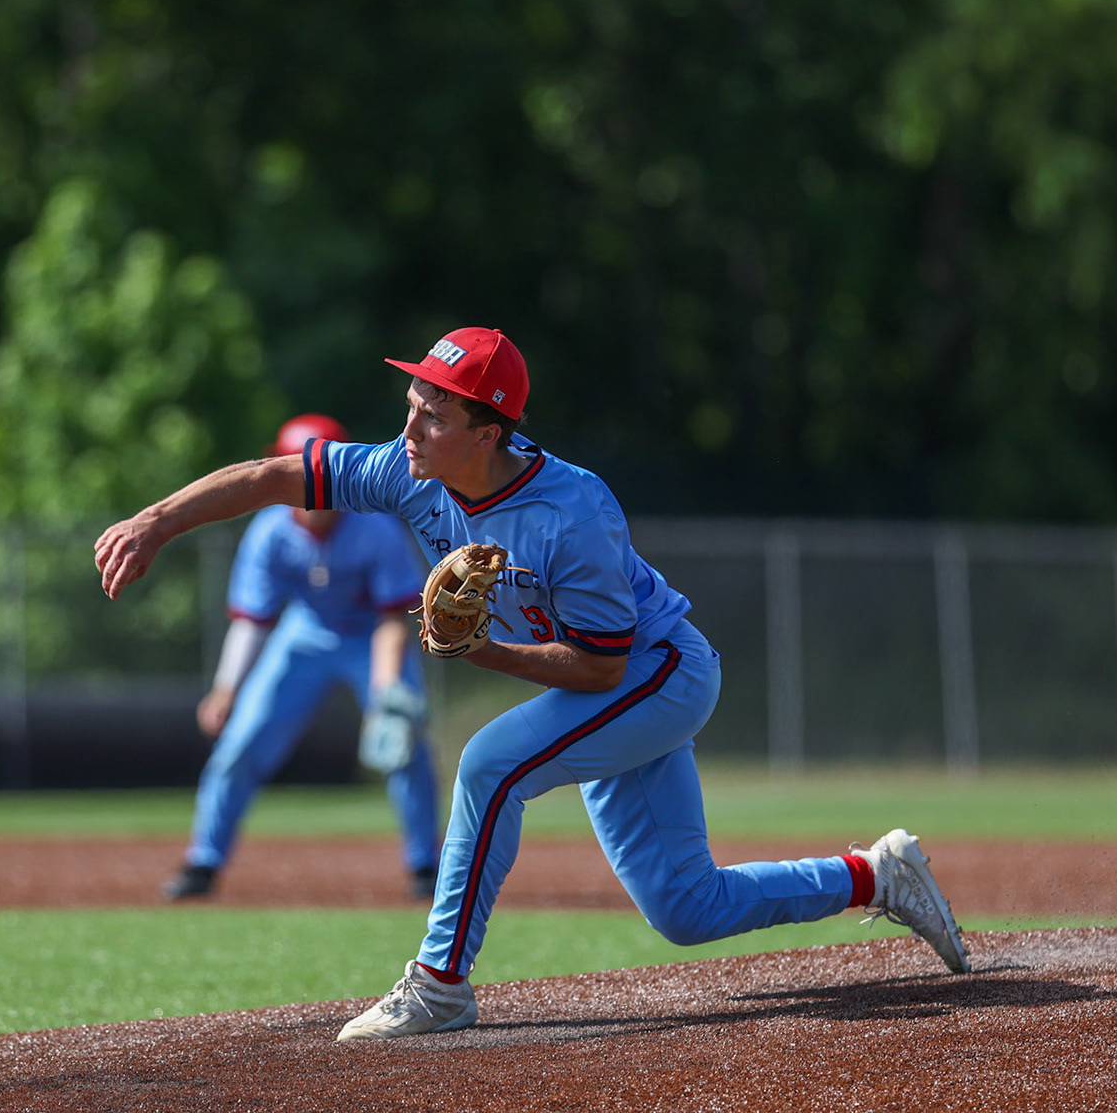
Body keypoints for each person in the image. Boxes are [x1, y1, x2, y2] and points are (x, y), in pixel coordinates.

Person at [96, 328, 970, 1041]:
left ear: (489, 432)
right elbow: (277, 475)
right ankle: (874, 875)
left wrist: (481, 656)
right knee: (685, 907)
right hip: (618, 683)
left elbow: (601, 666)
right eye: (412, 404)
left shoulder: (571, 515)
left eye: (432, 414)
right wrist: (157, 519)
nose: (410, 429)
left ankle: (440, 985)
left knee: (488, 764)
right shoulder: (411, 473)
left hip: (660, 674)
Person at [160, 413, 442, 903]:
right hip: (305, 632)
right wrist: (227, 688)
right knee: (242, 740)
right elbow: (254, 618)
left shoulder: (375, 528)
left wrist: (384, 689)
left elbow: (394, 618)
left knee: (403, 739)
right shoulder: (270, 530)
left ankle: (425, 867)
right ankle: (204, 861)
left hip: (371, 637)